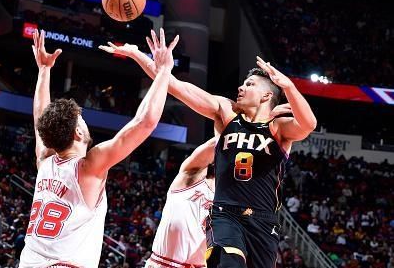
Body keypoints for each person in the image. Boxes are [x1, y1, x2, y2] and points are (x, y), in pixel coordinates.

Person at [99, 29, 317, 268]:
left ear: (266, 95)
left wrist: (289, 87)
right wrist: (139, 56)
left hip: (263, 221)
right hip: (225, 213)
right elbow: (176, 87)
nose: (241, 88)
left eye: (250, 84)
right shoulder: (226, 112)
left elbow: (308, 124)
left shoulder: (279, 128)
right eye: (243, 83)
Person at [19, 29, 178, 268]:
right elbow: (144, 123)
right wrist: (164, 70)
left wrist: (44, 71)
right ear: (78, 133)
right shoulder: (88, 167)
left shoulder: (45, 161)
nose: (85, 121)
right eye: (82, 119)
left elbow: (40, 119)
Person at [145, 138, 216, 268]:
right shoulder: (190, 176)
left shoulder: (231, 198)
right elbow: (213, 144)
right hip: (164, 262)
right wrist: (236, 130)